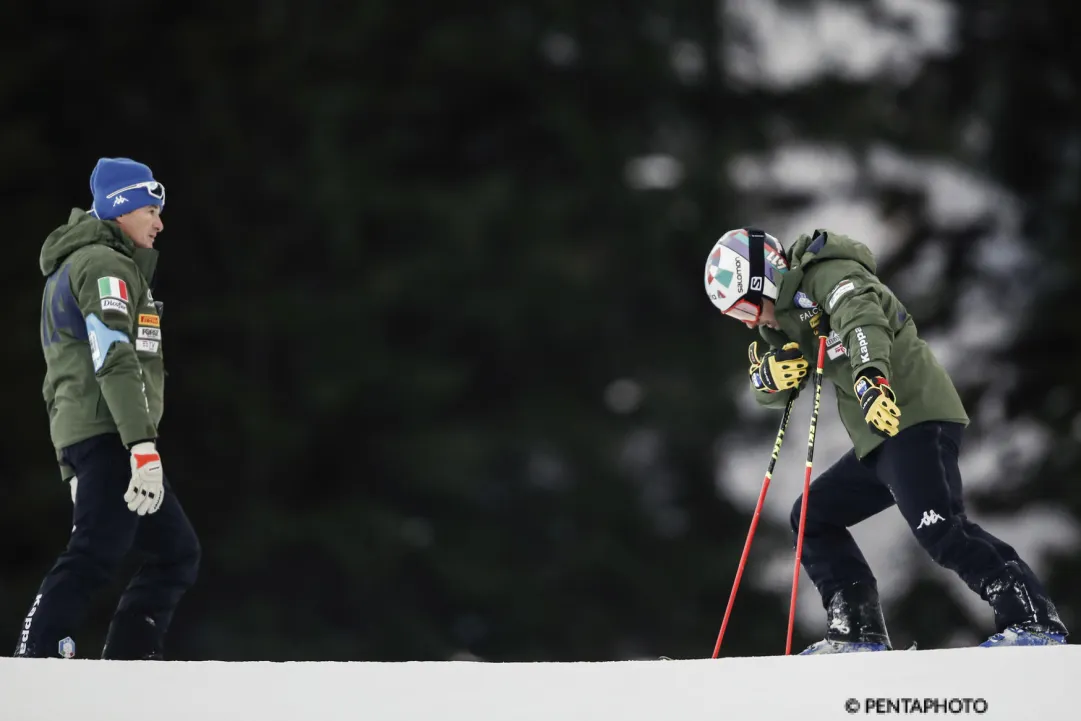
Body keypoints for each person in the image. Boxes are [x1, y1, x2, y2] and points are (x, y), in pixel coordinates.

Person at [703, 226, 1067, 653]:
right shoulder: (786, 320)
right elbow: (775, 377)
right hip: (879, 438)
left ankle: (1033, 620)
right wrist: (769, 379)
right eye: (736, 318)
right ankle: (857, 630)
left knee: (941, 530)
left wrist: (870, 380)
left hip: (912, 414)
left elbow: (861, 322)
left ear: (764, 278)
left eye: (745, 307)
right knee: (812, 518)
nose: (749, 322)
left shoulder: (830, 275)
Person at [15, 157, 200, 660]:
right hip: (112, 434)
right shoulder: (104, 265)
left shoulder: (78, 265)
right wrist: (141, 446)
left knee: (174, 552)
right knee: (96, 551)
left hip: (93, 434)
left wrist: (67, 461)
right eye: (149, 210)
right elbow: (113, 357)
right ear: (121, 207)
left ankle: (129, 662)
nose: (159, 222)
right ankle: (37, 660)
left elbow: (59, 371)